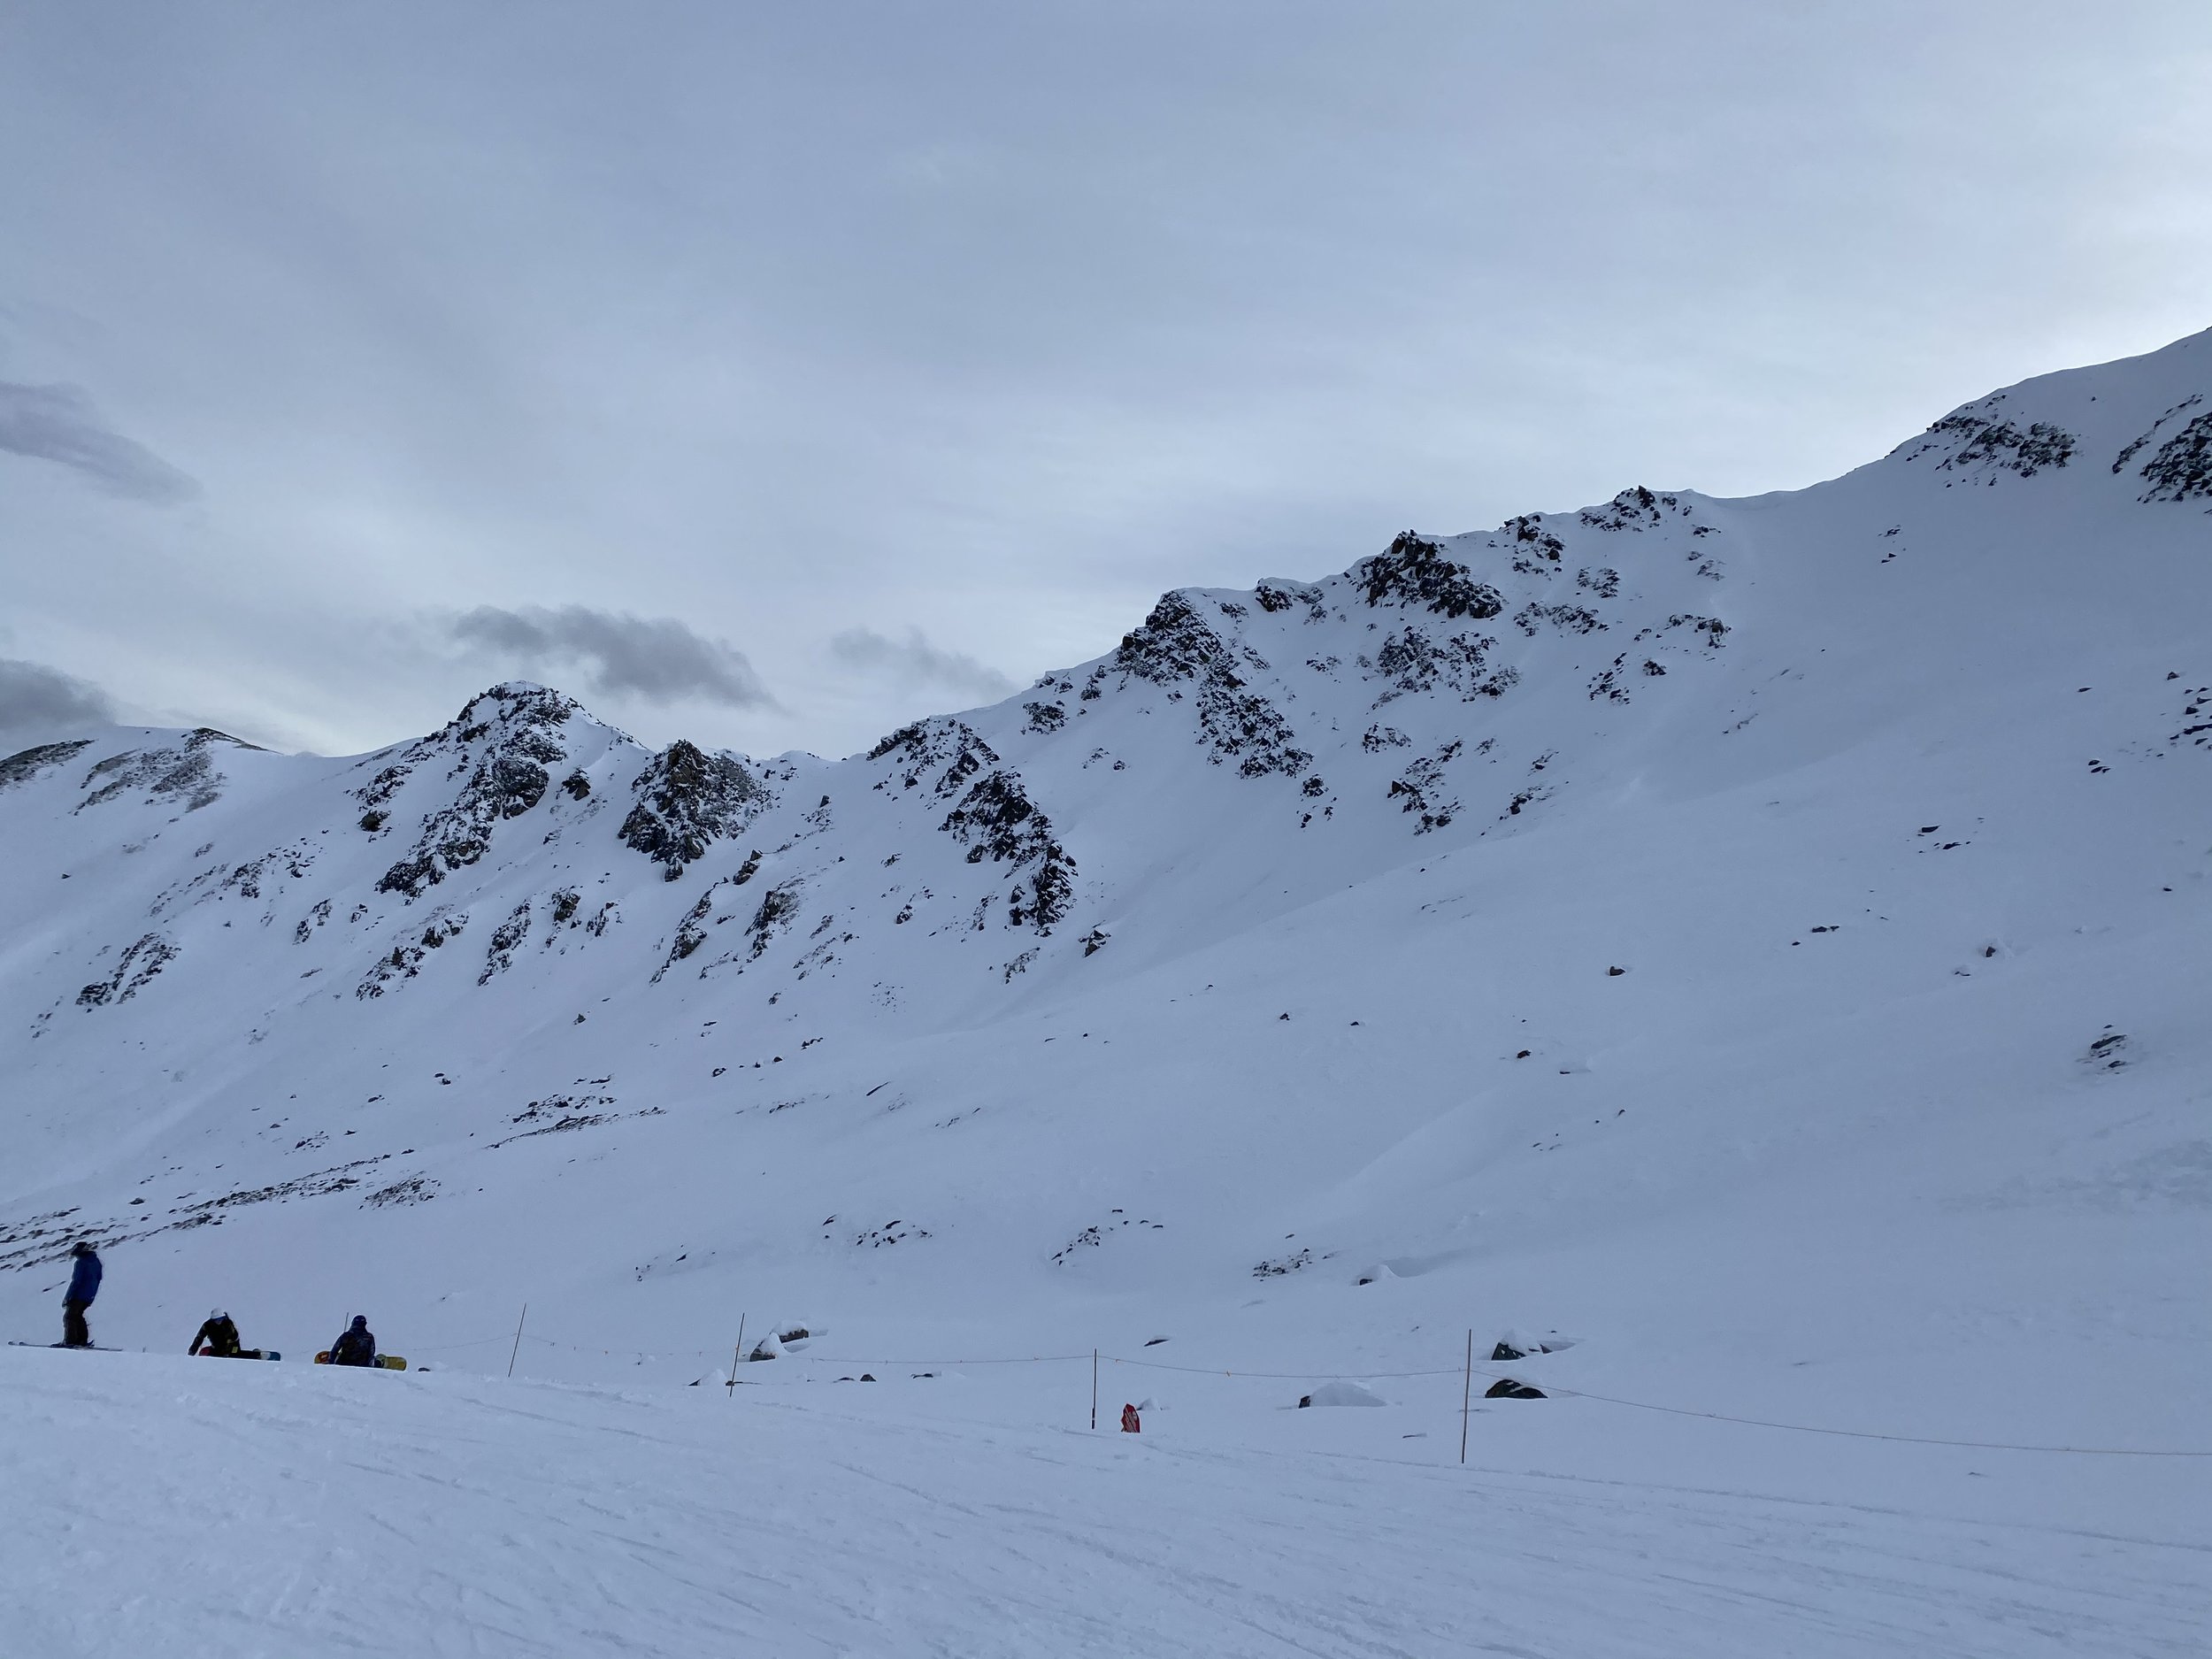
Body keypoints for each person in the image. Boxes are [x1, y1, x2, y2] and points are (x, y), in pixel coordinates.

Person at [62, 1240, 102, 1348]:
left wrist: (68, 1297)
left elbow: (76, 1281)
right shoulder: (96, 1262)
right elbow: (98, 1278)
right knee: (78, 1316)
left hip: (78, 1294)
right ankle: (82, 1340)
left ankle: (71, 1341)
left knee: (70, 1317)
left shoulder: (80, 1263)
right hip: (89, 1295)